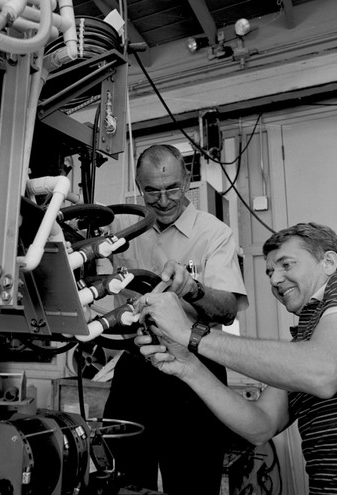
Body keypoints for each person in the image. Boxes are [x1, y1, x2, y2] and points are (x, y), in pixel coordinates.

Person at [136, 222, 337, 495]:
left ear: (329, 261)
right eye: (270, 272)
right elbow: (260, 425)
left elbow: (325, 371)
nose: (274, 280)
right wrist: (188, 366)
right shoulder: (302, 346)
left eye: (286, 265)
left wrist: (190, 333)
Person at [103, 144, 248, 494]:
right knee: (123, 479)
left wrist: (192, 288)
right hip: (136, 369)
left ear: (187, 180)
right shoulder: (123, 228)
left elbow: (227, 310)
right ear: (139, 186)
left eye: (173, 188)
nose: (164, 200)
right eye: (152, 190)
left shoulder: (214, 233)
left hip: (195, 374)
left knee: (194, 482)